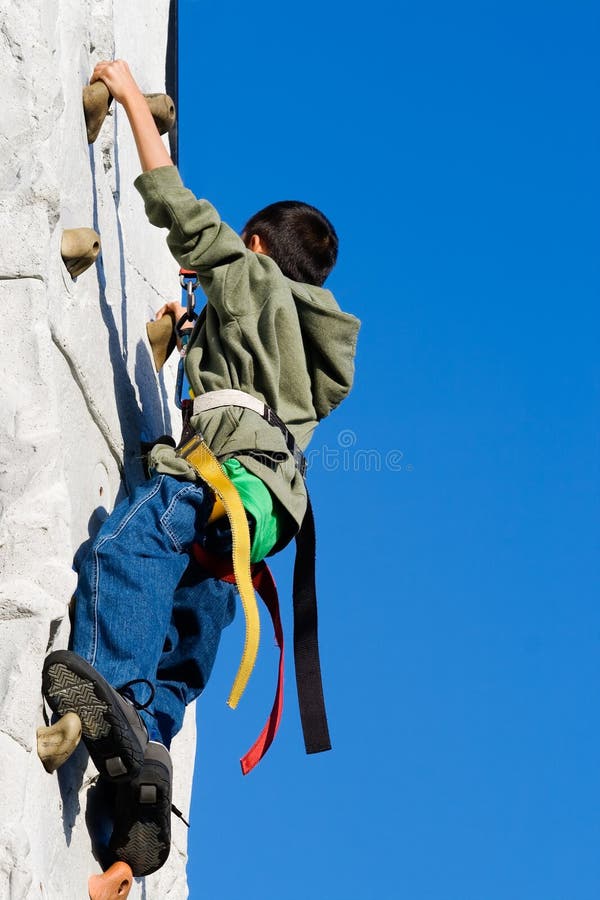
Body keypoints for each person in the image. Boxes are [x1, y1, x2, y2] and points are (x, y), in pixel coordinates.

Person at [42, 59, 360, 879]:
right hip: (261, 520)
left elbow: (176, 202)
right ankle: (140, 779)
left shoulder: (249, 276)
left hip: (219, 476)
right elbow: (253, 380)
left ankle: (112, 688)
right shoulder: (310, 348)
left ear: (257, 247)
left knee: (124, 551)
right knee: (192, 623)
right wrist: (193, 340)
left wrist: (122, 84)